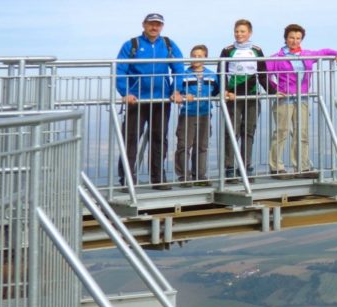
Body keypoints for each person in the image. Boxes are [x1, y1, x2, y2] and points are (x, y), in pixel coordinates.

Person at [265, 24, 337, 180]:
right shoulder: (276, 58)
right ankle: (276, 168)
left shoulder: (307, 54)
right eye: (291, 38)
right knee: (281, 133)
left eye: (298, 38)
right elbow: (263, 74)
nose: (294, 41)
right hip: (284, 100)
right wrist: (274, 90)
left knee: (302, 134)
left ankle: (302, 167)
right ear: (285, 38)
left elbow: (325, 51)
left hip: (302, 99)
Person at [115, 13, 184, 190]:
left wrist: (176, 90)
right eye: (151, 24)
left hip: (161, 99)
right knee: (130, 139)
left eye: (158, 24)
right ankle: (127, 180)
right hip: (136, 100)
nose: (154, 27)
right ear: (144, 24)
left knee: (159, 138)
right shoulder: (132, 45)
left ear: (162, 26)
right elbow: (120, 69)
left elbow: (178, 67)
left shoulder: (168, 44)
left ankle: (158, 178)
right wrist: (126, 92)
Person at [219, 19, 273, 179]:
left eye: (242, 31)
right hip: (233, 97)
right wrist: (224, 91)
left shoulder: (257, 50)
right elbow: (220, 72)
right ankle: (229, 167)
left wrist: (274, 91)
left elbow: (262, 75)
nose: (239, 34)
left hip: (252, 95)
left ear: (249, 33)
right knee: (232, 131)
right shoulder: (227, 50)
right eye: (236, 31)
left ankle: (245, 165)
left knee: (248, 132)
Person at [174, 45, 219, 187]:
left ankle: (199, 176)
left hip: (205, 113)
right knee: (184, 145)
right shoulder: (183, 74)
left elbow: (217, 90)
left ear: (205, 58)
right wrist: (182, 95)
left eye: (200, 56)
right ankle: (184, 177)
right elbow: (175, 91)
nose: (196, 59)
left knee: (202, 145)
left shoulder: (212, 75)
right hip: (188, 113)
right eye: (193, 56)